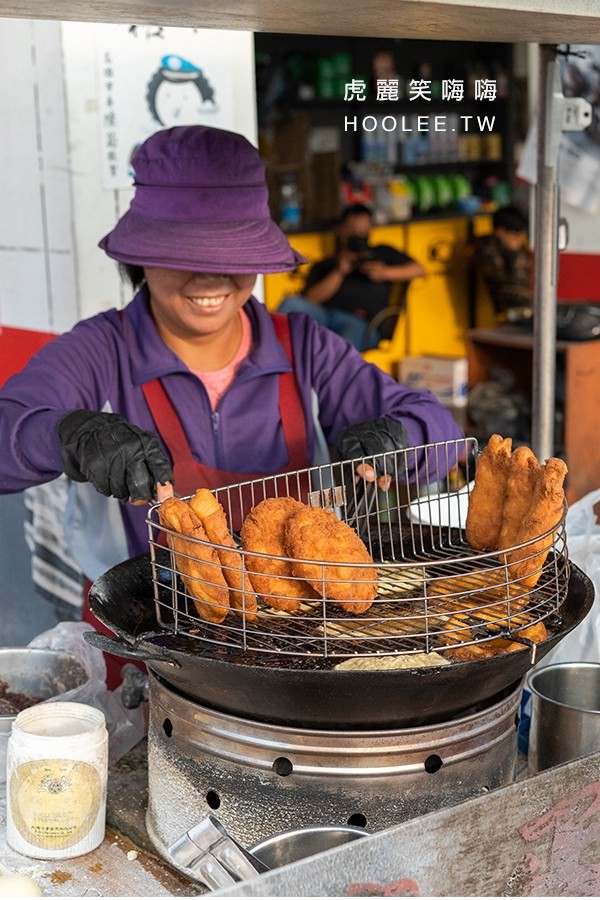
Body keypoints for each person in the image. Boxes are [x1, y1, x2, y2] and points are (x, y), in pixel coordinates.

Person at [0, 125, 461, 685]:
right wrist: (67, 434)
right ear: (140, 258)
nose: (211, 276)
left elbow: (436, 424)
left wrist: (402, 439)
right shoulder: (101, 352)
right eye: (183, 254)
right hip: (147, 652)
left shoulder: (306, 348)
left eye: (232, 254)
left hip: (302, 652)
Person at [278, 203, 425, 349]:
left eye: (363, 231)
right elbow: (311, 299)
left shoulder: (382, 253)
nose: (359, 235)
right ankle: (272, 362)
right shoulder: (327, 264)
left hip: (363, 323)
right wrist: (340, 271)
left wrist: (384, 273)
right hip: (326, 317)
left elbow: (419, 270)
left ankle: (333, 369)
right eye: (353, 230)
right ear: (341, 230)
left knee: (342, 341)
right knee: (292, 303)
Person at [471, 205, 533, 323]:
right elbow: (504, 279)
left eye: (520, 233)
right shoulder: (487, 249)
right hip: (505, 316)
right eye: (514, 233)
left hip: (525, 310)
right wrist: (513, 254)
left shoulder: (518, 248)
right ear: (500, 232)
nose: (518, 238)